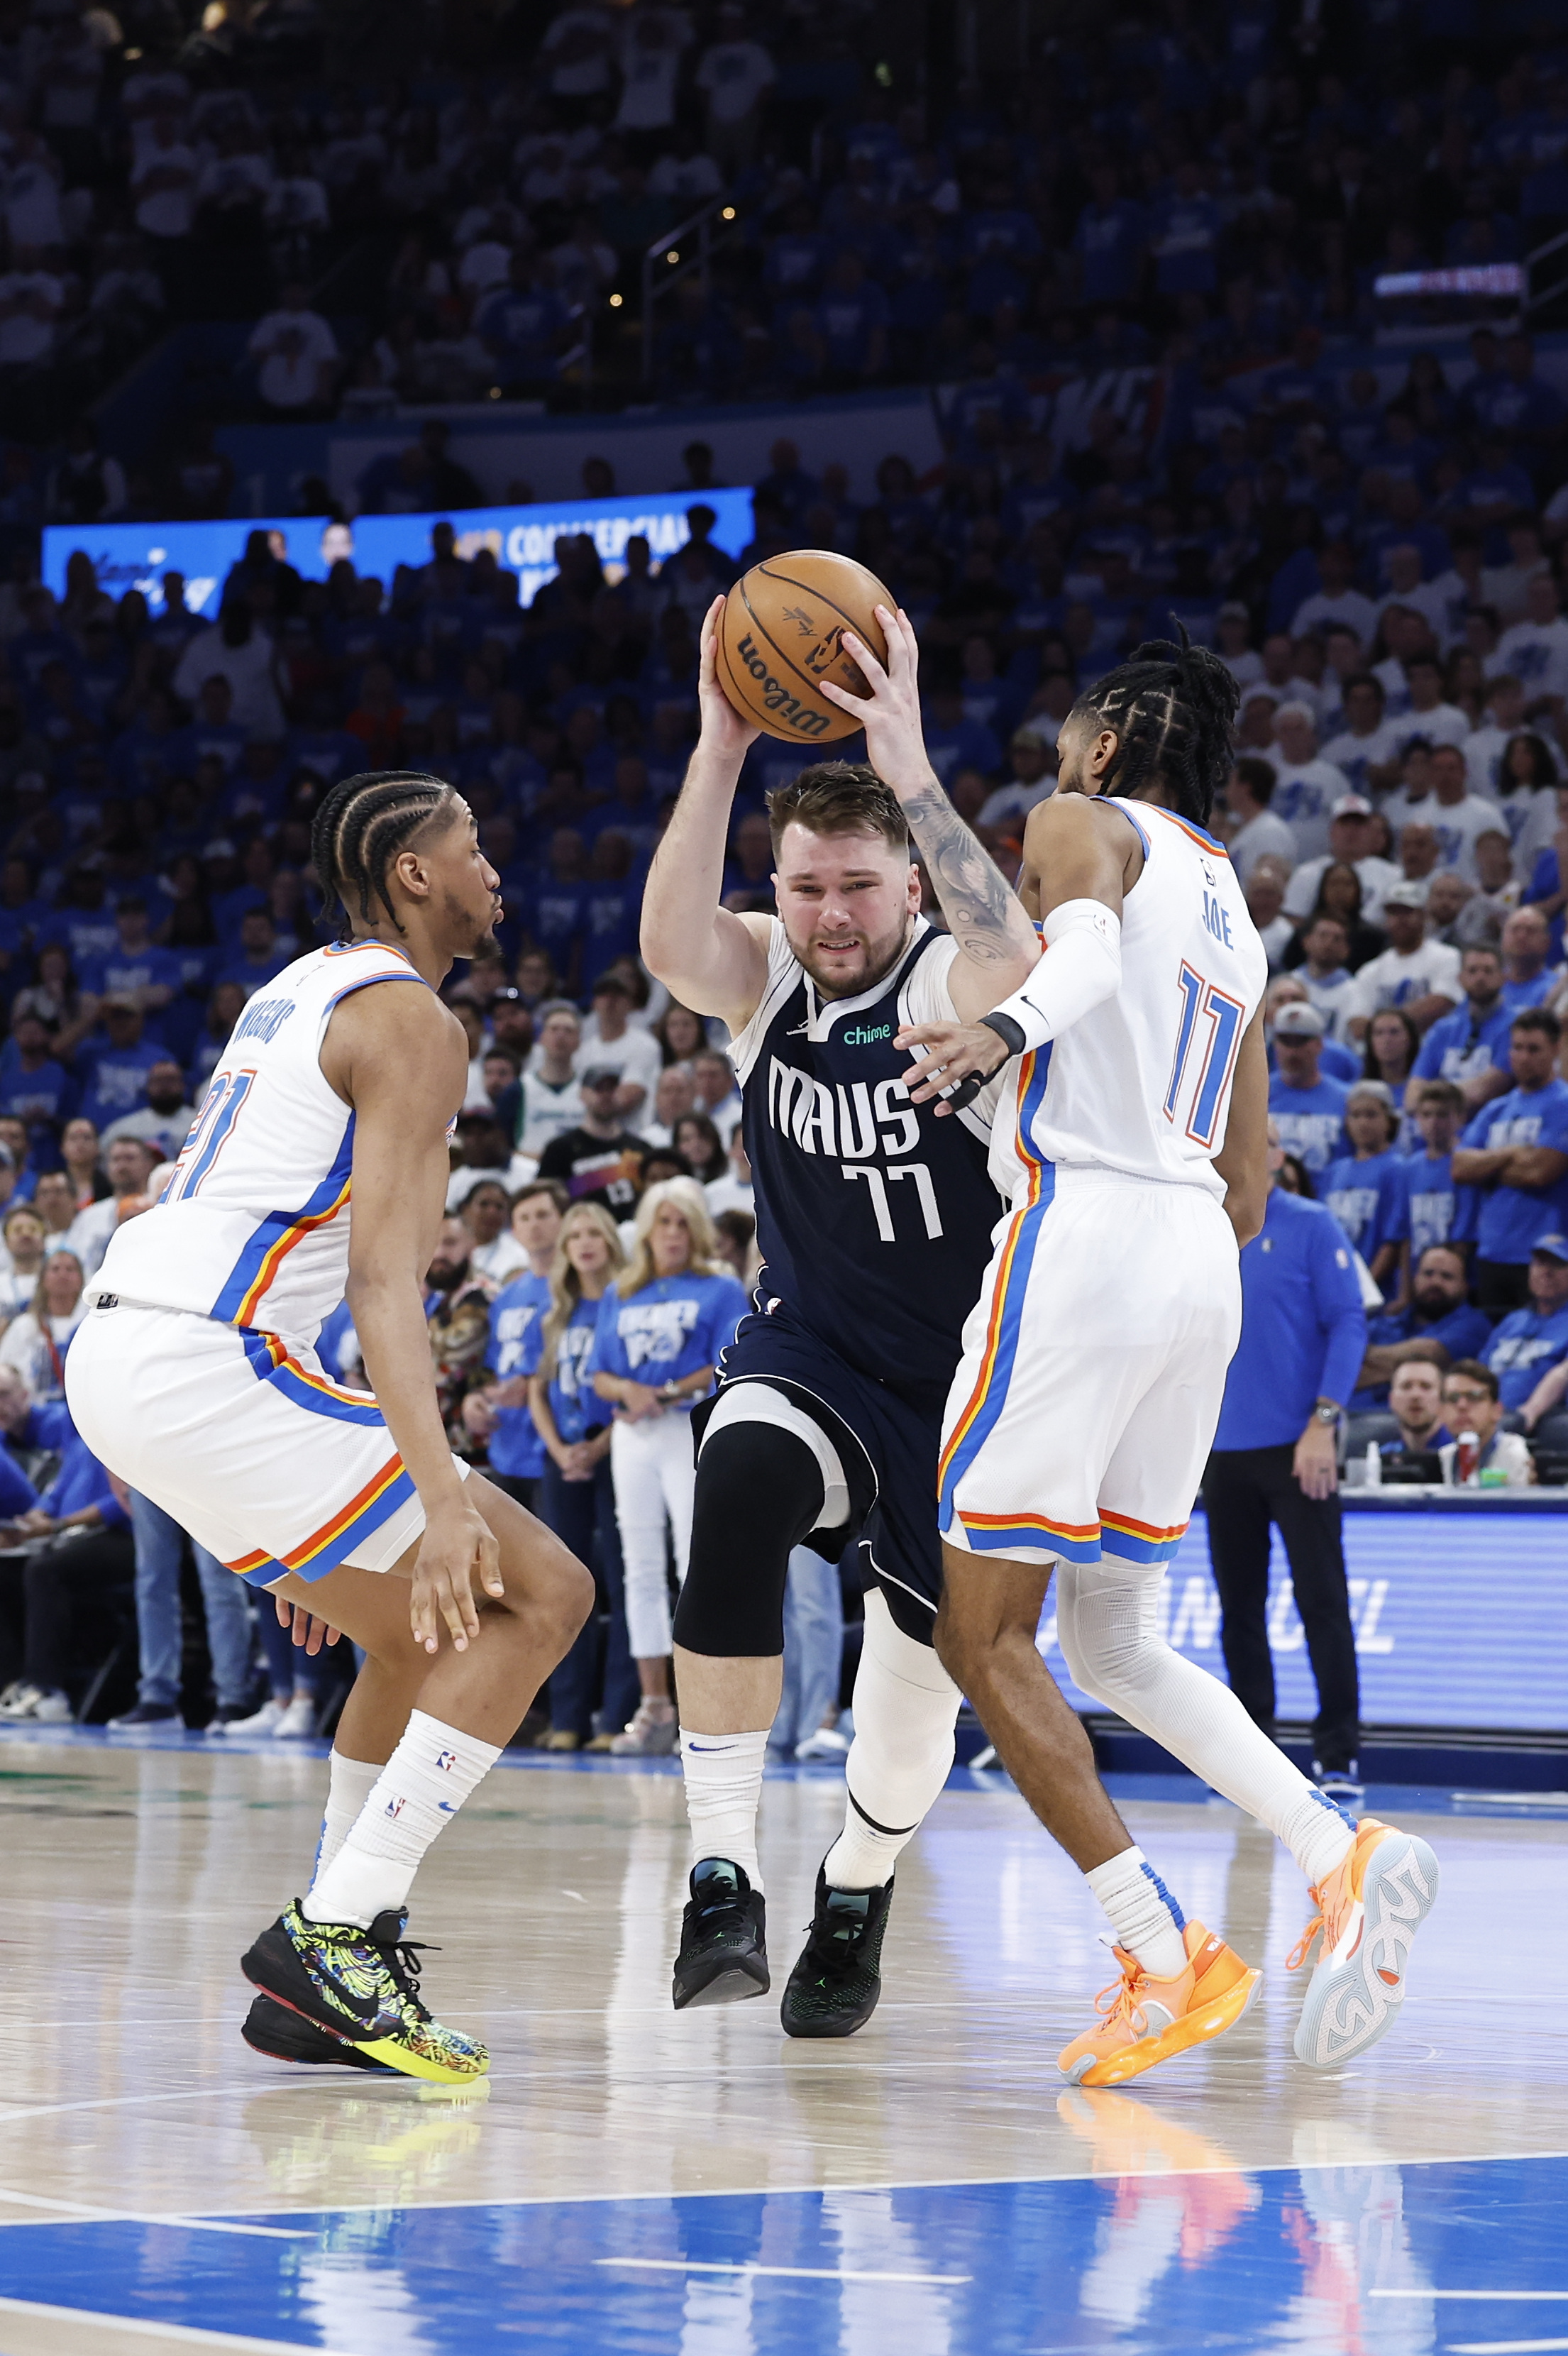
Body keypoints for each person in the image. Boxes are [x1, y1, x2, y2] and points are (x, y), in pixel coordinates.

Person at [901, 644, 1434, 2084]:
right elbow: (1253, 1179)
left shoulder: (1080, 823)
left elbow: (1067, 958)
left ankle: (1158, 1953)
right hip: (1202, 1260)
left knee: (981, 1634)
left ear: (1118, 731)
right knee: (1113, 1640)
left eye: (1072, 716)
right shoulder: (1235, 910)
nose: (1055, 739)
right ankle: (1341, 1852)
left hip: (1082, 1238)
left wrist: (995, 1036)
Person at [65, 767, 592, 2083]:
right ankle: (338, 1928)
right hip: (209, 1355)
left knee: (412, 1627)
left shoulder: (298, 984)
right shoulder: (412, 1020)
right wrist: (441, 1493)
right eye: (473, 844)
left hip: (139, 1348)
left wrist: (326, 1506)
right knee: (543, 1591)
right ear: (414, 872)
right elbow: (381, 1285)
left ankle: (332, 1977)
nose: (493, 869)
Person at [639, 595, 1042, 2036]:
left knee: (912, 1692)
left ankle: (856, 1890)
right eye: (807, 887)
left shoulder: (953, 975)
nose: (829, 916)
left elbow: (1023, 965)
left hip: (967, 1389)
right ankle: (721, 1873)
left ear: (910, 888)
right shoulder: (766, 988)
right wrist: (719, 737)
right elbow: (671, 938)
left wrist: (907, 757)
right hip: (812, 1350)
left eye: (858, 887)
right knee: (736, 1479)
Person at [590, 1180, 747, 1754]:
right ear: (648, 1230)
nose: (673, 1234)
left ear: (698, 1231)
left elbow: (729, 1358)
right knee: (640, 1567)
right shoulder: (621, 1292)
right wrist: (630, 1391)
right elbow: (600, 1372)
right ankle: (654, 1704)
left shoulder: (720, 1288)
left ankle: (700, 1708)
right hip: (634, 1434)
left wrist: (667, 1388)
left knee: (693, 1561)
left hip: (686, 1429)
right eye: (664, 1223)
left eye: (683, 1223)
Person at [524, 1202, 638, 1752]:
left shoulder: (624, 1302)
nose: (585, 1244)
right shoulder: (557, 1312)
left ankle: (615, 1718)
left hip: (614, 1451)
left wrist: (595, 1447)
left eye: (595, 1233)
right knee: (563, 1588)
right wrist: (559, 1449)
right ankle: (567, 1716)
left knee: (621, 1580)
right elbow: (536, 1390)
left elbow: (633, 1385)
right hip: (561, 1454)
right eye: (576, 1236)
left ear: (611, 1242)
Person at [0, 1428, 135, 1724]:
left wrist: (60, 1525)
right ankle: (12, 1683)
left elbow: (127, 1499)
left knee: (45, 1570)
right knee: (9, 1572)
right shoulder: (75, 1429)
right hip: (73, 1536)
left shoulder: (119, 1426)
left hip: (125, 1536)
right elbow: (58, 1489)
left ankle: (48, 1690)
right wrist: (38, 1515)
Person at [108, 1489, 259, 1730]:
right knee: (152, 1582)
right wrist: (114, 1469)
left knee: (220, 1581)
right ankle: (157, 1698)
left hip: (202, 1465)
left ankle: (234, 1697)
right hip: (144, 1466)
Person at [1452, 1008, 1568, 1311]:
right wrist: (1512, 1153)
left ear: (1556, 1049)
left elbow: (1540, 1173)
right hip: (1491, 1252)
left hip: (1545, 1256)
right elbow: (1459, 1168)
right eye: (1517, 1048)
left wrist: (1486, 1168)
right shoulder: (1496, 1109)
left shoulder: (1563, 1104)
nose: (1523, 1057)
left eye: (1534, 1049)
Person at [460, 1181, 565, 1512]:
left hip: (555, 1444)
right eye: (525, 1217)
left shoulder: (576, 1289)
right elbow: (491, 1368)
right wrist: (476, 1399)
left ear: (562, 1220)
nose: (534, 1224)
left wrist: (533, 1381)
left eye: (543, 1215)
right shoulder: (506, 1297)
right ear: (514, 1229)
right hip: (506, 1445)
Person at [1354, 1242, 1492, 1410]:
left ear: (1464, 1287)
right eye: (1428, 1274)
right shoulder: (1385, 1323)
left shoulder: (1474, 1325)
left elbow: (1427, 1354)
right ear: (1415, 1278)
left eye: (1447, 1276)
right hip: (1348, 1416)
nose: (1435, 1282)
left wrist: (1357, 1354)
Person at [1319, 1083, 1407, 1294]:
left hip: (1375, 1288)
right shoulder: (1335, 1171)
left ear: (1390, 1120)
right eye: (1355, 1115)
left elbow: (1393, 1240)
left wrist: (1364, 1288)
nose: (1362, 1123)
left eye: (1371, 1115)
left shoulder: (1396, 1168)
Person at [1411, 943, 1515, 1109]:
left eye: (1488, 971)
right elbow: (1413, 1094)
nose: (1480, 977)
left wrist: (1431, 1099)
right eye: (1473, 971)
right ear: (1460, 978)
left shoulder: (1516, 1025)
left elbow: (1485, 1090)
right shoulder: (1443, 1029)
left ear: (1503, 977)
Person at [537, 1065, 644, 1213]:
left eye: (612, 1088)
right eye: (599, 1088)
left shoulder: (640, 1148)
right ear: (582, 1094)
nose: (606, 1095)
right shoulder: (560, 1150)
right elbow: (546, 1200)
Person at [1481, 1235, 1568, 1416]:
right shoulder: (1513, 1321)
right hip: (1487, 1416)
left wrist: (1529, 1413)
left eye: (1557, 1264)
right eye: (1539, 1263)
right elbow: (1479, 1372)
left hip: (1540, 1421)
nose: (1546, 1271)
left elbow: (1563, 1373)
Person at [1399, 1080, 1479, 1263]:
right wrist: (1404, 1290)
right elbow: (1405, 1235)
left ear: (1460, 1117)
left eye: (1443, 1115)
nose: (1433, 1123)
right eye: (1426, 1115)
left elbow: (1464, 1238)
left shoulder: (1467, 1163)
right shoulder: (1409, 1168)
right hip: (1418, 1272)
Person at [1268, 1002, 1349, 1173]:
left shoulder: (1346, 1099)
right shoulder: (1259, 1094)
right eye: (1285, 1041)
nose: (1292, 1052)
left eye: (1300, 1042)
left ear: (1320, 1044)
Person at [0, 1250, 86, 1397]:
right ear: (43, 1279)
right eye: (55, 1269)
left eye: (70, 1269)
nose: (63, 1274)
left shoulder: (90, 1325)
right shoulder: (25, 1326)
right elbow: (5, 1370)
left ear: (82, 1280)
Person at [1438, 1359, 1535, 1487]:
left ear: (1497, 1411)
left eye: (1474, 1397)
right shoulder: (1444, 1458)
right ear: (1441, 1411)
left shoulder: (1515, 1454)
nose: (1462, 1406)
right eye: (1453, 1398)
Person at [1384, 1360, 1453, 1463]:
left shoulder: (1459, 1457)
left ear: (1442, 1398)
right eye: (1406, 1386)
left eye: (1426, 1386)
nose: (1415, 1395)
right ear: (1391, 1399)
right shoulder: (1383, 1459)